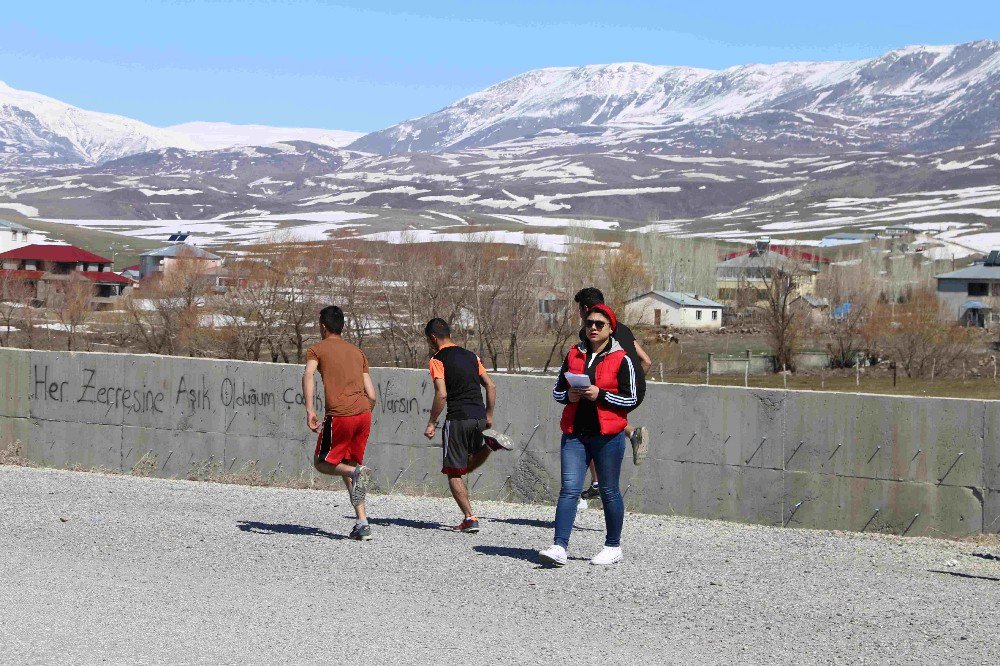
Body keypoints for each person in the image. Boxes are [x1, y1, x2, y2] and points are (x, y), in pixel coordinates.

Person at [540, 303, 636, 566]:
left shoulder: (622, 358)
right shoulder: (573, 354)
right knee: (569, 490)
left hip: (608, 436)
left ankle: (613, 546)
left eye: (599, 324)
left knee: (609, 490)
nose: (593, 328)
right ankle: (559, 546)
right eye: (589, 323)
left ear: (610, 328)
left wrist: (601, 395)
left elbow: (632, 399)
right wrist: (569, 396)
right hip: (575, 434)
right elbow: (557, 391)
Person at [423, 317, 511, 533]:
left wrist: (432, 422)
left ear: (433, 338)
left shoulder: (437, 359)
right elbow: (490, 385)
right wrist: (489, 415)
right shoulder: (471, 356)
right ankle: (489, 446)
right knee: (466, 466)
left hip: (458, 418)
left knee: (453, 472)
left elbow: (441, 394)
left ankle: (470, 518)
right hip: (479, 416)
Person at [303, 305, 378, 541]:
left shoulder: (316, 350)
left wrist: (310, 410)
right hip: (364, 414)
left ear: (323, 327)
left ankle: (357, 473)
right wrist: (363, 411)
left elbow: (308, 376)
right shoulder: (358, 353)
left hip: (340, 415)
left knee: (323, 462)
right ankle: (362, 522)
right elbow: (372, 395)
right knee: (350, 465)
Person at [573, 287, 652, 501]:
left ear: (587, 309)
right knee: (604, 418)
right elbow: (646, 360)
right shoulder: (622, 328)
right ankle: (630, 433)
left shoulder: (589, 332)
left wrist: (610, 389)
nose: (584, 319)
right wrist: (631, 384)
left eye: (581, 311)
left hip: (611, 390)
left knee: (586, 419)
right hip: (635, 390)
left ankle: (598, 482)